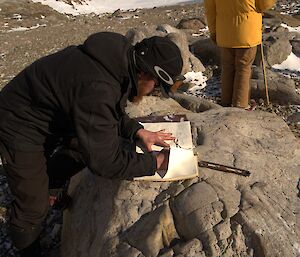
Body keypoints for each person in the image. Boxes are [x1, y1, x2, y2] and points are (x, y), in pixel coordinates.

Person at [0, 32, 184, 256]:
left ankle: (51, 184)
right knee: (33, 208)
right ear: (145, 73)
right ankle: (28, 246)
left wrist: (137, 131)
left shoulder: (117, 61)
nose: (153, 92)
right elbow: (105, 162)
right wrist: (155, 162)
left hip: (49, 114)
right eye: (156, 86)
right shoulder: (98, 85)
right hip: (17, 124)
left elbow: (107, 112)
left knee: (86, 145)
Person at [204, 0, 275, 109]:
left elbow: (210, 11)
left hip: (224, 31)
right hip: (247, 31)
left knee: (227, 67)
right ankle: (240, 105)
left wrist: (214, 32)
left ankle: (225, 102)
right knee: (243, 67)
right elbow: (264, 4)